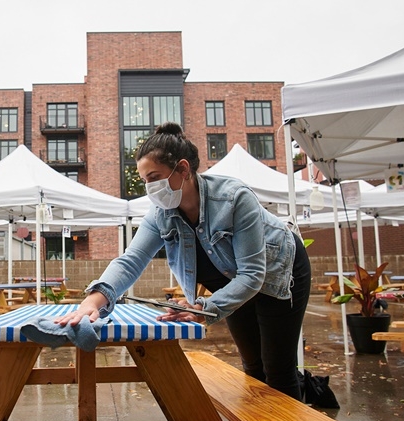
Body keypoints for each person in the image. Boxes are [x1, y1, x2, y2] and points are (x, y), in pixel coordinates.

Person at [55, 122, 312, 400]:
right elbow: (132, 260)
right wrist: (93, 300)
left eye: (155, 177)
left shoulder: (235, 198)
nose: (150, 188)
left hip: (280, 273)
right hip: (231, 284)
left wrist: (204, 308)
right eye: (144, 181)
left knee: (278, 368)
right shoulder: (160, 214)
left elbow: (252, 275)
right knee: (253, 365)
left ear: (183, 169)